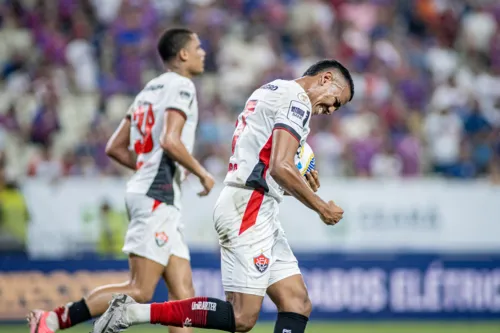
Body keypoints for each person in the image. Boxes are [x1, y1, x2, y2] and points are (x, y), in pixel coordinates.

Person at [92, 59, 354, 333]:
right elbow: (279, 166)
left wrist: (294, 173)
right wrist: (321, 207)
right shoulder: (297, 101)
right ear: (326, 79)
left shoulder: (272, 89)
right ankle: (132, 312)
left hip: (255, 205)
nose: (332, 110)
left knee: (296, 302)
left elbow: (266, 160)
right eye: (337, 101)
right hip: (248, 207)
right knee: (242, 317)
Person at [29, 27, 215, 333]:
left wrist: (145, 166)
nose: (202, 52)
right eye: (197, 47)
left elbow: (115, 147)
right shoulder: (182, 86)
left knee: (183, 295)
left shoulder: (148, 90)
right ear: (183, 54)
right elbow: (170, 140)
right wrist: (202, 172)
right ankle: (53, 320)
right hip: (158, 195)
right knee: (140, 290)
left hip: (156, 193)